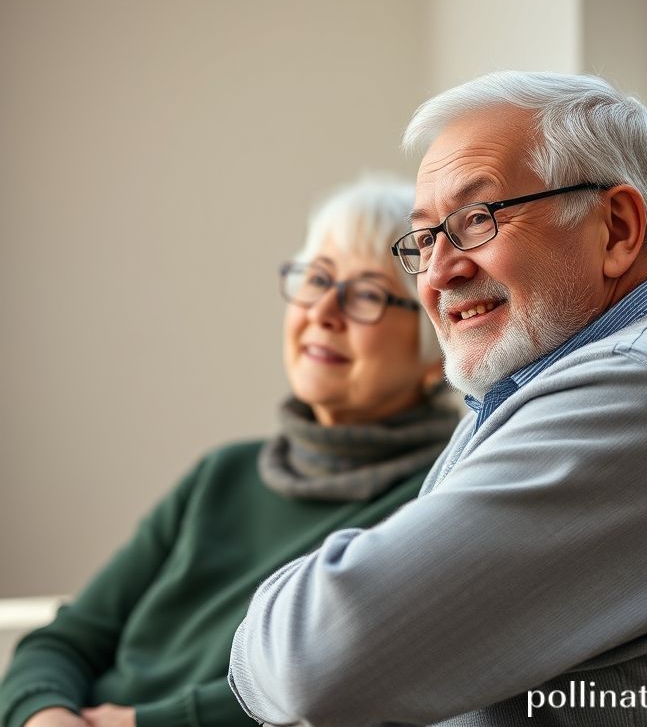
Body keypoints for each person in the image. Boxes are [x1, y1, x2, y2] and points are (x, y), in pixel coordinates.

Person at [228, 72, 647, 726]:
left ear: (618, 228)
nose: (438, 272)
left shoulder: (640, 391)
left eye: (477, 220)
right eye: (425, 238)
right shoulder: (564, 372)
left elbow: (310, 664)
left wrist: (286, 612)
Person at [0, 177, 459, 727]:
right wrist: (46, 716)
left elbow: (338, 688)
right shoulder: (222, 474)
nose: (323, 312)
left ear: (435, 347)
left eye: (365, 294)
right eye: (316, 280)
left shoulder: (437, 500)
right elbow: (68, 639)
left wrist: (141, 725)